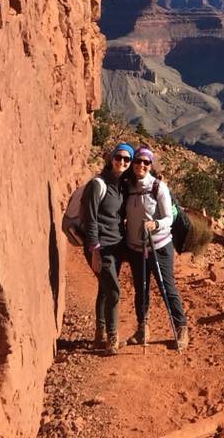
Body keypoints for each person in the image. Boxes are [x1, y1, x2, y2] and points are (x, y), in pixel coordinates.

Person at [123, 146, 189, 349]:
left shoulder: (158, 187)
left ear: (150, 165)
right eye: (138, 161)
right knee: (140, 290)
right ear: (133, 164)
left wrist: (156, 224)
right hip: (136, 248)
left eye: (146, 162)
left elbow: (169, 217)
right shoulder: (128, 187)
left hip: (159, 246)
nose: (141, 165)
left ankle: (181, 328)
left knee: (166, 288)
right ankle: (143, 329)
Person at [84, 142, 134, 355]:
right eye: (118, 157)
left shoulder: (122, 185)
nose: (121, 162)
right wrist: (94, 250)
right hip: (100, 247)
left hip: (117, 246)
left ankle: (99, 335)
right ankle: (112, 338)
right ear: (111, 158)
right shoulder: (98, 184)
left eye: (126, 159)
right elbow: (90, 219)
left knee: (104, 290)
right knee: (113, 291)